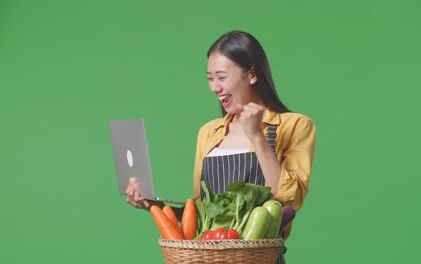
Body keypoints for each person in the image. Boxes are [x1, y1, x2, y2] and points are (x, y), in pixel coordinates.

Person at [126, 30, 316, 263]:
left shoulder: (295, 125)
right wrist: (154, 206)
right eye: (210, 78)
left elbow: (289, 201)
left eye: (222, 77)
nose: (215, 87)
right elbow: (200, 214)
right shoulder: (208, 132)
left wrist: (257, 136)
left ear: (252, 75)